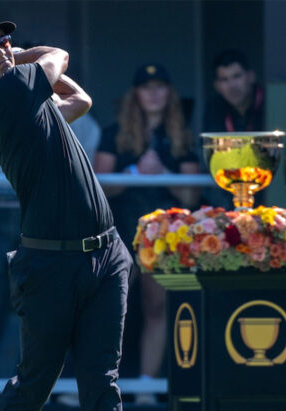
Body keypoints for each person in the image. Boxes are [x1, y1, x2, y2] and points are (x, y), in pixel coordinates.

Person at [0, 13, 132, 410]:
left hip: (107, 254)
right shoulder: (7, 93)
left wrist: (10, 58)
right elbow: (59, 55)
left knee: (102, 380)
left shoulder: (30, 99)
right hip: (51, 264)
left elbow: (80, 101)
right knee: (34, 383)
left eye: (4, 42)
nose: (1, 51)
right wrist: (20, 55)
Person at [93, 63, 199, 404]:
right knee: (111, 310)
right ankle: (99, 383)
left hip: (164, 237)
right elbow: (98, 188)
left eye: (160, 86)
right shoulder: (113, 133)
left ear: (169, 94)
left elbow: (192, 197)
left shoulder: (182, 138)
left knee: (157, 309)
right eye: (146, 87)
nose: (153, 93)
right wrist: (137, 171)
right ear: (135, 95)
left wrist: (163, 173)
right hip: (120, 232)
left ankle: (145, 390)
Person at [202, 49, 265, 208]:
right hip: (228, 199)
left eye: (237, 76)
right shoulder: (214, 108)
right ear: (216, 85)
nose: (232, 86)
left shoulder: (269, 103)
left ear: (250, 77)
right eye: (224, 79)